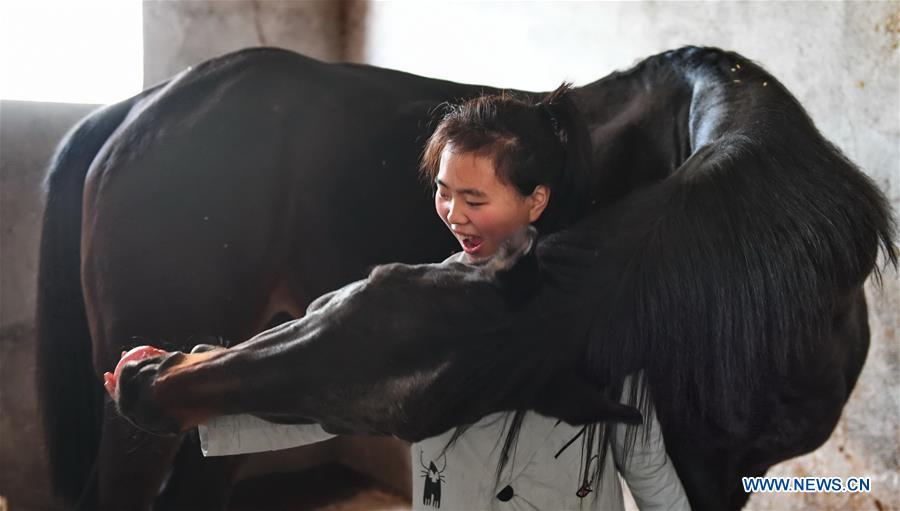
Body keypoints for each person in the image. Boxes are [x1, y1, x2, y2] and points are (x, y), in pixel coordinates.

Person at [199, 85, 689, 510]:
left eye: (475, 200)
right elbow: (321, 397)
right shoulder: (424, 304)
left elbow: (642, 456)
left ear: (535, 200)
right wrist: (188, 380)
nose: (454, 214)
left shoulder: (596, 307)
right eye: (444, 193)